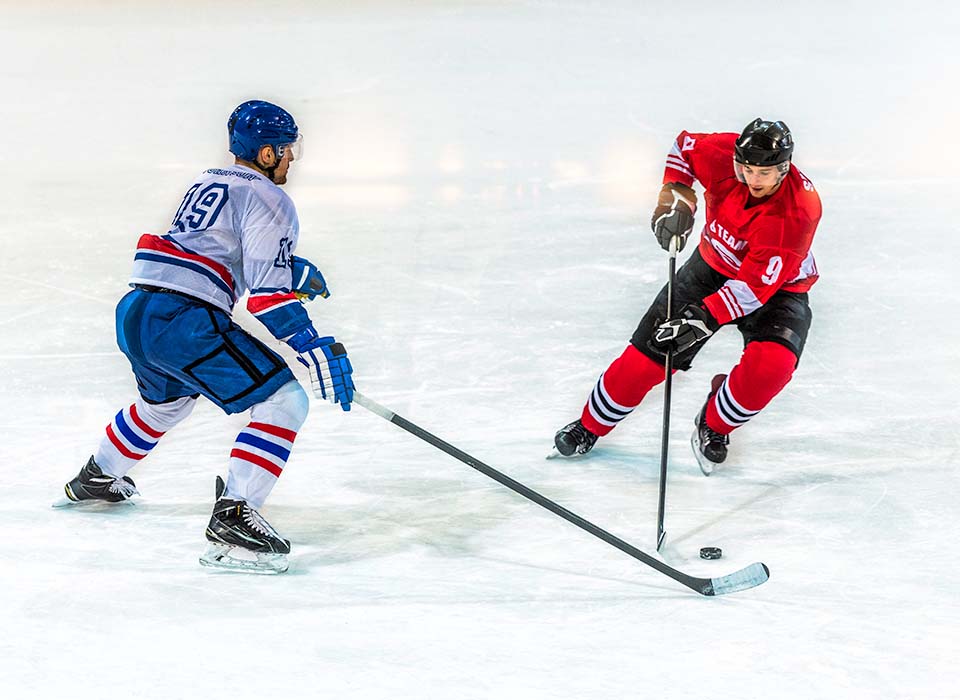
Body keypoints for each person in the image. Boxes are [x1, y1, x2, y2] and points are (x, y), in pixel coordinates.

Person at [55, 100, 355, 574]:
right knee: (285, 400)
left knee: (164, 405)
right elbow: (266, 298)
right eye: (287, 148)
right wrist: (311, 344)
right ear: (267, 150)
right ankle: (235, 517)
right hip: (184, 319)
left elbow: (208, 249)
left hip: (137, 312)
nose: (293, 158)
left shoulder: (209, 180)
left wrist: (287, 268)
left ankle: (97, 477)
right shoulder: (272, 199)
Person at [553, 118, 821, 475]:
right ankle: (589, 426)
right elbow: (683, 148)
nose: (754, 180)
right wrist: (676, 197)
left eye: (766, 173)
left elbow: (754, 288)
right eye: (748, 169)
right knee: (646, 358)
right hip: (709, 269)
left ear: (784, 169)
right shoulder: (721, 153)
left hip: (777, 290)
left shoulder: (798, 211)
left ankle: (714, 422)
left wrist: (702, 318)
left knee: (772, 368)